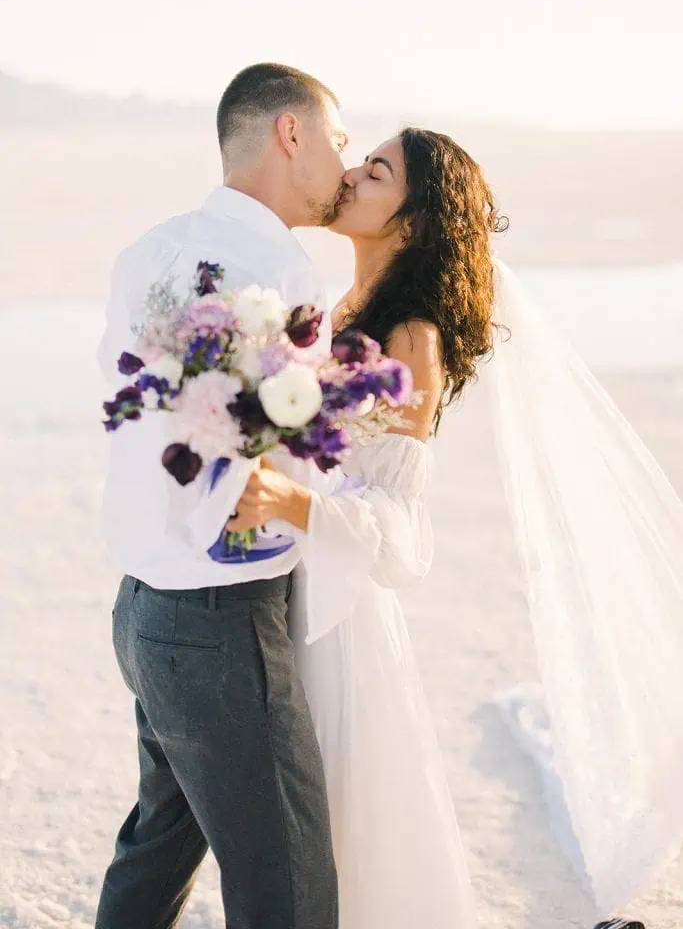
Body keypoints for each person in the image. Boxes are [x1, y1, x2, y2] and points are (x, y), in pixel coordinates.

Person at [233, 127, 681, 926]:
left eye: (376, 173)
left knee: (343, 824)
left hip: (341, 626)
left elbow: (400, 540)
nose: (351, 178)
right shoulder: (339, 306)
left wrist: (293, 502)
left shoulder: (414, 340)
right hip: (284, 585)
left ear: (413, 218)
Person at [95, 62, 349, 929]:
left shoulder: (149, 249)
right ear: (291, 133)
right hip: (221, 616)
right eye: (338, 140)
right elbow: (288, 449)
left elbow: (125, 408)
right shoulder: (277, 272)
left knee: (159, 847)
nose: (345, 166)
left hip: (143, 608)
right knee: (287, 883)